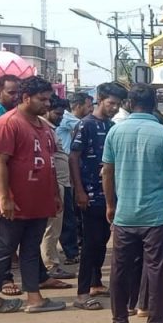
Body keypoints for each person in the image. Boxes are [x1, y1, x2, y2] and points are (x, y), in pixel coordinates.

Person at [0, 74, 70, 296]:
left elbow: (50, 163)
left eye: (48, 99)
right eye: (42, 99)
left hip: (38, 202)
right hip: (12, 203)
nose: (47, 104)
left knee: (31, 251)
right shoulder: (6, 124)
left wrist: (54, 194)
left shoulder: (44, 127)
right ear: (26, 98)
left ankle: (34, 298)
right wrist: (4, 197)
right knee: (1, 252)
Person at [102, 83, 163, 323]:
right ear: (155, 105)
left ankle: (119, 322)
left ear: (129, 104)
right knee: (156, 270)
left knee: (119, 268)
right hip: (156, 215)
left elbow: (107, 172)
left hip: (125, 213)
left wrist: (110, 204)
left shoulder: (115, 131)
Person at [70, 82, 124, 309]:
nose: (115, 108)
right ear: (99, 100)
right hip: (90, 192)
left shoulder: (112, 126)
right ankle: (82, 294)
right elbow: (74, 157)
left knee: (102, 241)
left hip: (109, 194)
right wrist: (79, 190)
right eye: (111, 103)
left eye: (118, 104)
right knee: (90, 243)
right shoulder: (85, 125)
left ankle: (95, 283)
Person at [40, 99, 75, 281]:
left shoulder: (50, 129)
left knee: (56, 227)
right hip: (54, 184)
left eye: (62, 114)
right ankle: (51, 265)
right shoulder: (43, 129)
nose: (61, 118)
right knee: (52, 228)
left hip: (60, 182)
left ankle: (49, 262)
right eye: (57, 114)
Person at [57, 93, 92, 265]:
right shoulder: (68, 118)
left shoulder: (63, 120)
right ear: (78, 106)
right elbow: (86, 126)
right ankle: (71, 251)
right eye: (88, 106)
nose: (91, 109)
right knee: (68, 214)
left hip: (65, 169)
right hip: (64, 171)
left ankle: (71, 247)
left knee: (68, 213)